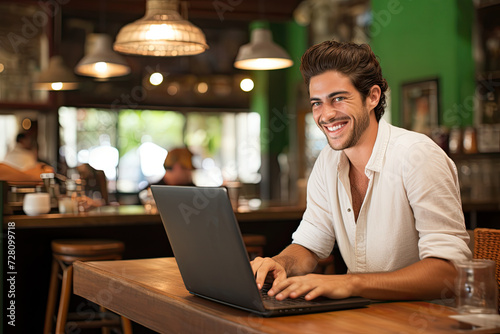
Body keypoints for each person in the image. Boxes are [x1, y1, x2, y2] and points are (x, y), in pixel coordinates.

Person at [251, 40, 471, 302]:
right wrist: (281, 263)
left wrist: (351, 283)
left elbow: (451, 272)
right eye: (317, 103)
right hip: (364, 317)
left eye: (339, 99)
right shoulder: (327, 161)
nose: (326, 115)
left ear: (373, 97)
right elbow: (310, 245)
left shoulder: (418, 156)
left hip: (426, 321)